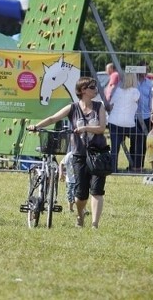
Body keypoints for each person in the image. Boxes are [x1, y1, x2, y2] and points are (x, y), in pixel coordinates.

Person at [28, 77, 108, 229]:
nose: (95, 89)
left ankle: (95, 225)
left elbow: (102, 128)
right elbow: (53, 118)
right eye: (92, 87)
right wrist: (36, 126)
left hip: (98, 153)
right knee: (81, 195)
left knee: (97, 190)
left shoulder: (99, 106)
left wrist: (85, 129)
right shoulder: (73, 108)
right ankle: (80, 214)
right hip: (79, 154)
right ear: (83, 90)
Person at [107, 73, 140, 172]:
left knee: (115, 147)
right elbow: (137, 102)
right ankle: (136, 164)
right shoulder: (135, 91)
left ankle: (113, 168)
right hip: (128, 123)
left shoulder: (117, 90)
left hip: (114, 121)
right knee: (140, 137)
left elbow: (111, 104)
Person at [130, 65, 153, 172]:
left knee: (144, 141)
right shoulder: (133, 82)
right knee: (134, 141)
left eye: (147, 70)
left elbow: (151, 99)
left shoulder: (149, 83)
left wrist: (152, 112)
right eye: (143, 69)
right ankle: (132, 163)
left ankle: (140, 165)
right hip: (133, 116)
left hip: (146, 116)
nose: (145, 72)